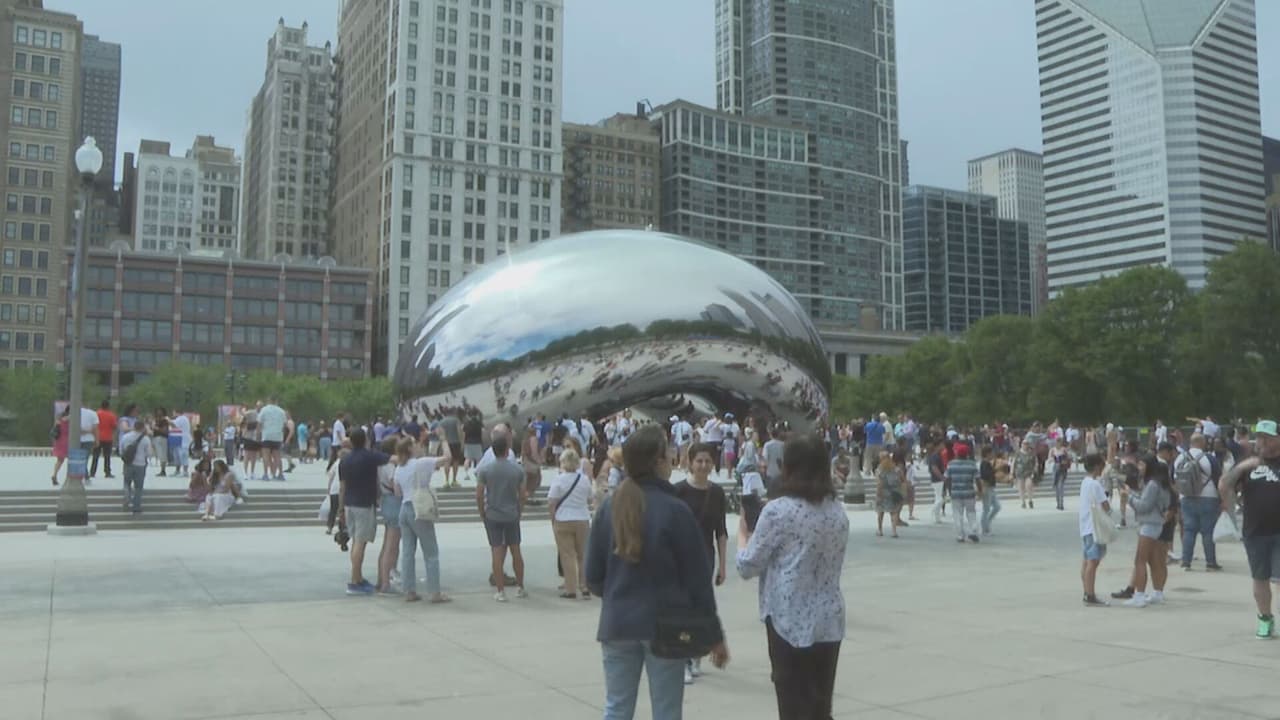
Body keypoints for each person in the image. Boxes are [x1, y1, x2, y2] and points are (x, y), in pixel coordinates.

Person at [584, 425, 728, 720]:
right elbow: (698, 581)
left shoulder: (610, 507)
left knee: (616, 708)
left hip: (617, 622)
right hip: (665, 625)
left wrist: (619, 593)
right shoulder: (675, 510)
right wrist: (713, 633)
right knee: (666, 711)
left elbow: (593, 577)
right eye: (669, 452)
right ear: (658, 461)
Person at [736, 433, 847, 719]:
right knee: (820, 706)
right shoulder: (837, 512)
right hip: (828, 620)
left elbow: (748, 565)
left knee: (793, 705)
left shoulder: (778, 511)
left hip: (788, 620)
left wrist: (742, 535)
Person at [674, 442, 729, 684]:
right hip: (680, 558)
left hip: (705, 557)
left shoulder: (716, 493)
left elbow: (721, 531)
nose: (703, 465)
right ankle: (684, 658)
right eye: (699, 461)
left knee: (700, 608)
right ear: (690, 462)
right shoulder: (678, 491)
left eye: (707, 461)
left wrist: (723, 566)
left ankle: (695, 654)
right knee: (683, 608)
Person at [1220, 420, 1280, 639]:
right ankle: (1265, 619)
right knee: (1260, 578)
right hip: (1255, 531)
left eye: (1267, 438)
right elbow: (1224, 485)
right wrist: (1243, 467)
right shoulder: (1248, 463)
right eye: (1260, 437)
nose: (1261, 442)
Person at [395, 433, 452, 603]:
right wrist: (444, 440)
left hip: (404, 508)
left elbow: (397, 491)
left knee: (407, 551)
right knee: (431, 552)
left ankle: (409, 590)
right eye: (415, 443)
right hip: (419, 508)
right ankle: (434, 592)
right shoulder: (422, 463)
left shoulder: (399, 468)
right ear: (410, 448)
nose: (419, 445)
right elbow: (447, 458)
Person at [1114, 455, 1173, 608]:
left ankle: (1139, 595)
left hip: (1149, 524)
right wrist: (1132, 494)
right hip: (1155, 524)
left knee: (1140, 560)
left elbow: (1144, 506)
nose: (1139, 468)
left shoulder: (1152, 484)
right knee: (1154, 561)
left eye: (1141, 464)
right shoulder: (1159, 483)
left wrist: (1128, 497)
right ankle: (1157, 592)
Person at [337, 428, 391, 595]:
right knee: (360, 542)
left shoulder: (345, 460)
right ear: (366, 439)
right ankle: (355, 581)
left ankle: (358, 577)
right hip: (364, 504)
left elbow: (342, 487)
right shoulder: (370, 456)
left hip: (349, 503)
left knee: (356, 541)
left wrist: (340, 509)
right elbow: (391, 458)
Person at [476, 434, 528, 602]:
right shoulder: (517, 470)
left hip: (493, 513)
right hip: (511, 513)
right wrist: (519, 510)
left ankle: (500, 591)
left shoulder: (485, 470)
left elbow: (479, 494)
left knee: (497, 551)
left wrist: (482, 512)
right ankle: (520, 587)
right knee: (516, 550)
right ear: (507, 450)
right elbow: (523, 494)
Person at [548, 447, 594, 599]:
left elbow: (552, 502)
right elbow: (590, 498)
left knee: (567, 555)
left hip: (563, 518)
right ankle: (584, 586)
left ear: (563, 462)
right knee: (583, 554)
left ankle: (570, 589)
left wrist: (553, 519)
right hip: (582, 518)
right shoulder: (584, 479)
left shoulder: (558, 479)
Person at [1177, 433, 1221, 571]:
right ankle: (1210, 563)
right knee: (1208, 531)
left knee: (1189, 530)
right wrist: (1221, 499)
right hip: (1208, 496)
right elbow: (1218, 478)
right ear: (1202, 443)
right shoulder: (1209, 458)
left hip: (1186, 496)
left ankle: (1186, 562)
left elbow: (1174, 477)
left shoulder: (1180, 458)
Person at [1079, 453, 1112, 607]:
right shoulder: (1095, 484)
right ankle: (1090, 594)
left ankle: (1087, 590)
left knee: (1086, 560)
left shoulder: (1085, 482)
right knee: (1093, 562)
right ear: (1097, 466)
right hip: (1095, 528)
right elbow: (1105, 505)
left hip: (1085, 526)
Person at [945, 443, 981, 543]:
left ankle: (960, 535)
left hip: (955, 493)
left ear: (957, 453)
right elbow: (977, 479)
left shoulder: (951, 464)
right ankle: (973, 530)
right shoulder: (972, 464)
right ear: (967, 454)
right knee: (971, 512)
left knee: (957, 514)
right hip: (969, 493)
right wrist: (980, 490)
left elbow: (947, 479)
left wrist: (948, 491)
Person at [119, 422, 153, 515]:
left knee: (127, 482)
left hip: (128, 464)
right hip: (140, 465)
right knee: (138, 487)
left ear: (134, 427)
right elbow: (149, 453)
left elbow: (121, 450)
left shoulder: (125, 437)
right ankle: (136, 507)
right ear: (142, 428)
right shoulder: (146, 439)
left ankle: (127, 495)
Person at [874, 451, 904, 538]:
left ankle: (880, 530)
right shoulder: (896, 469)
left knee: (880, 511)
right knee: (894, 512)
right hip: (894, 492)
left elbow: (879, 483)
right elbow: (902, 479)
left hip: (883, 492)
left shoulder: (879, 470)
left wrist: (878, 493)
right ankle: (894, 531)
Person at [258, 398, 287, 482]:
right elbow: (285, 424)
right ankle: (279, 474)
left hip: (267, 435)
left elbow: (259, 422)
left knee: (266, 456)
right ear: (276, 401)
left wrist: (258, 434)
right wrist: (281, 434)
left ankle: (266, 474)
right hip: (277, 436)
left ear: (268, 401)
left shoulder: (264, 409)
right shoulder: (281, 411)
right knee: (277, 456)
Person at [90, 399, 117, 480]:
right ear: (108, 406)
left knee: (95, 456)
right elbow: (114, 426)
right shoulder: (111, 415)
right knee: (107, 456)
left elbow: (93, 425)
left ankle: (92, 472)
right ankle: (107, 472)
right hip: (108, 438)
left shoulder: (96, 414)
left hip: (97, 437)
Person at [980, 446, 1001, 535]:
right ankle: (984, 528)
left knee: (997, 506)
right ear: (987, 454)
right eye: (991, 453)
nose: (993, 455)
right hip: (987, 487)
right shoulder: (984, 463)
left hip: (991, 487)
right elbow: (985, 475)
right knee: (986, 508)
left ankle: (987, 522)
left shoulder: (988, 463)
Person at [324, 447, 345, 535]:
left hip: (334, 490)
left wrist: (329, 489)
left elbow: (331, 477)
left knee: (333, 509)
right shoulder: (346, 463)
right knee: (342, 510)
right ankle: (342, 527)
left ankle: (330, 527)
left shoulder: (336, 464)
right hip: (343, 490)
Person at [1013, 440, 1036, 509]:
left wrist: (1035, 470)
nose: (1025, 445)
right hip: (1019, 472)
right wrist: (1012, 472)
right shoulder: (1018, 453)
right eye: (1024, 444)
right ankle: (1023, 502)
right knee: (1021, 488)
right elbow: (1014, 462)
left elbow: (1035, 462)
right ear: (1021, 445)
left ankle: (1030, 500)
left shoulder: (1031, 453)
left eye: (1026, 444)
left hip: (1028, 472)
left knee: (1029, 485)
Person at [1050, 437, 1072, 511]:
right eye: (1057, 442)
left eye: (1059, 442)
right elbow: (1049, 458)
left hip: (1062, 469)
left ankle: (1061, 503)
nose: (1058, 443)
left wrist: (1064, 461)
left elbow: (1068, 458)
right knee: (1056, 486)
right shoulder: (1052, 450)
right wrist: (1053, 459)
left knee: (1060, 486)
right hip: (1055, 469)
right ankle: (1058, 502)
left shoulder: (1064, 450)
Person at [49, 406, 69, 486]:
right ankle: (69, 477)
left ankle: (54, 474)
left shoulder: (59, 420)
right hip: (67, 441)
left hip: (59, 441)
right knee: (72, 460)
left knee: (60, 460)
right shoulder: (71, 419)